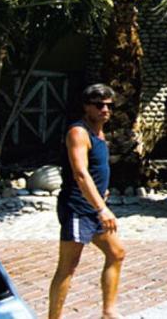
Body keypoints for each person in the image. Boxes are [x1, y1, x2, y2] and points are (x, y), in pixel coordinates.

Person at [49, 84, 125, 319]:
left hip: (93, 206)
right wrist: (102, 209)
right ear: (86, 106)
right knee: (68, 267)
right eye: (99, 105)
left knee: (117, 253)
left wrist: (103, 193)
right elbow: (80, 174)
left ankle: (109, 313)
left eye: (109, 106)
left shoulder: (99, 134)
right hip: (78, 209)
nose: (105, 110)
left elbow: (95, 172)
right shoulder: (78, 133)